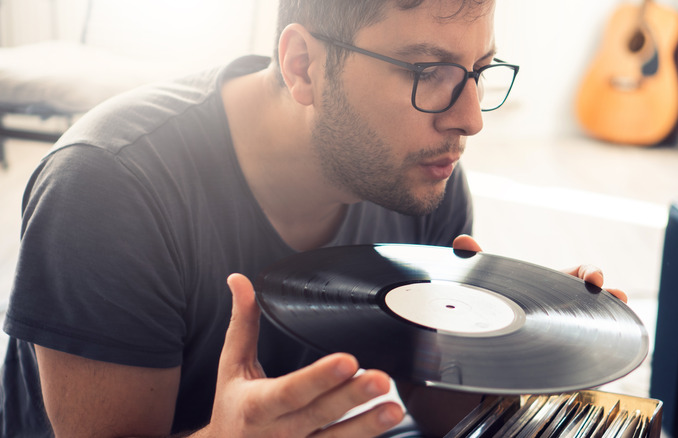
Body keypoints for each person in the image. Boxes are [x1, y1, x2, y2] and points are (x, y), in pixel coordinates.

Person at [1, 1, 627, 436]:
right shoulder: (109, 185)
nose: (469, 119)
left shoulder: (421, 173)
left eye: (478, 73)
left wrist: (517, 350)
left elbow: (436, 412)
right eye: (427, 72)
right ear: (303, 65)